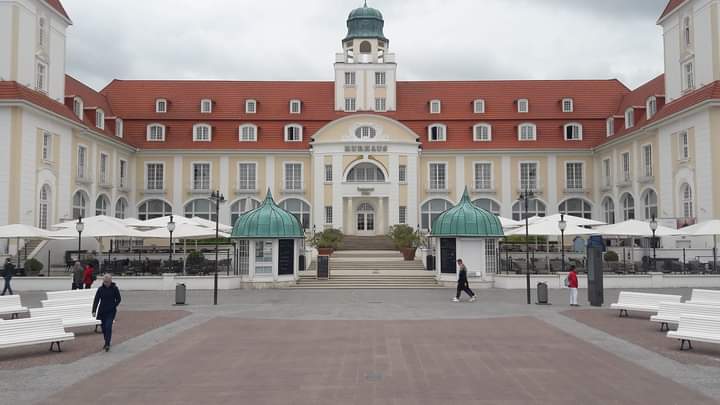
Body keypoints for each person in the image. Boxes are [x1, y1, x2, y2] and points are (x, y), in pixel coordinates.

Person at [92, 274, 122, 352]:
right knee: (104, 328)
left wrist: (114, 305)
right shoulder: (100, 289)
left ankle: (107, 344)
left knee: (108, 326)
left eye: (108, 282)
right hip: (102, 311)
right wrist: (94, 311)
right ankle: (106, 341)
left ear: (110, 281)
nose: (106, 283)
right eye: (105, 282)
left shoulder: (115, 289)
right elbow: (96, 300)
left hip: (111, 311)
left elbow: (119, 299)